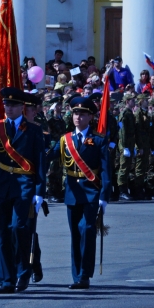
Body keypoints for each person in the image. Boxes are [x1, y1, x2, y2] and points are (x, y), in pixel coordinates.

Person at [0, 87, 46, 294]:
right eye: (6, 104)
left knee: (19, 228)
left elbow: (40, 162)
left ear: (22, 107)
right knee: (4, 232)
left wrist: (39, 190)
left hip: (25, 184)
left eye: (14, 105)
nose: (9, 108)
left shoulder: (33, 130)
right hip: (3, 184)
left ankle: (24, 270)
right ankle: (6, 280)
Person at [56, 96, 111, 289]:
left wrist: (104, 195)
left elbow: (105, 170)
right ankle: (76, 274)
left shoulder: (98, 140)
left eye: (82, 114)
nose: (78, 117)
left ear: (90, 117)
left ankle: (84, 275)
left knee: (87, 230)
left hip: (91, 192)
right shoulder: (66, 140)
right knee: (75, 235)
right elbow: (50, 158)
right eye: (75, 113)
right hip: (72, 192)